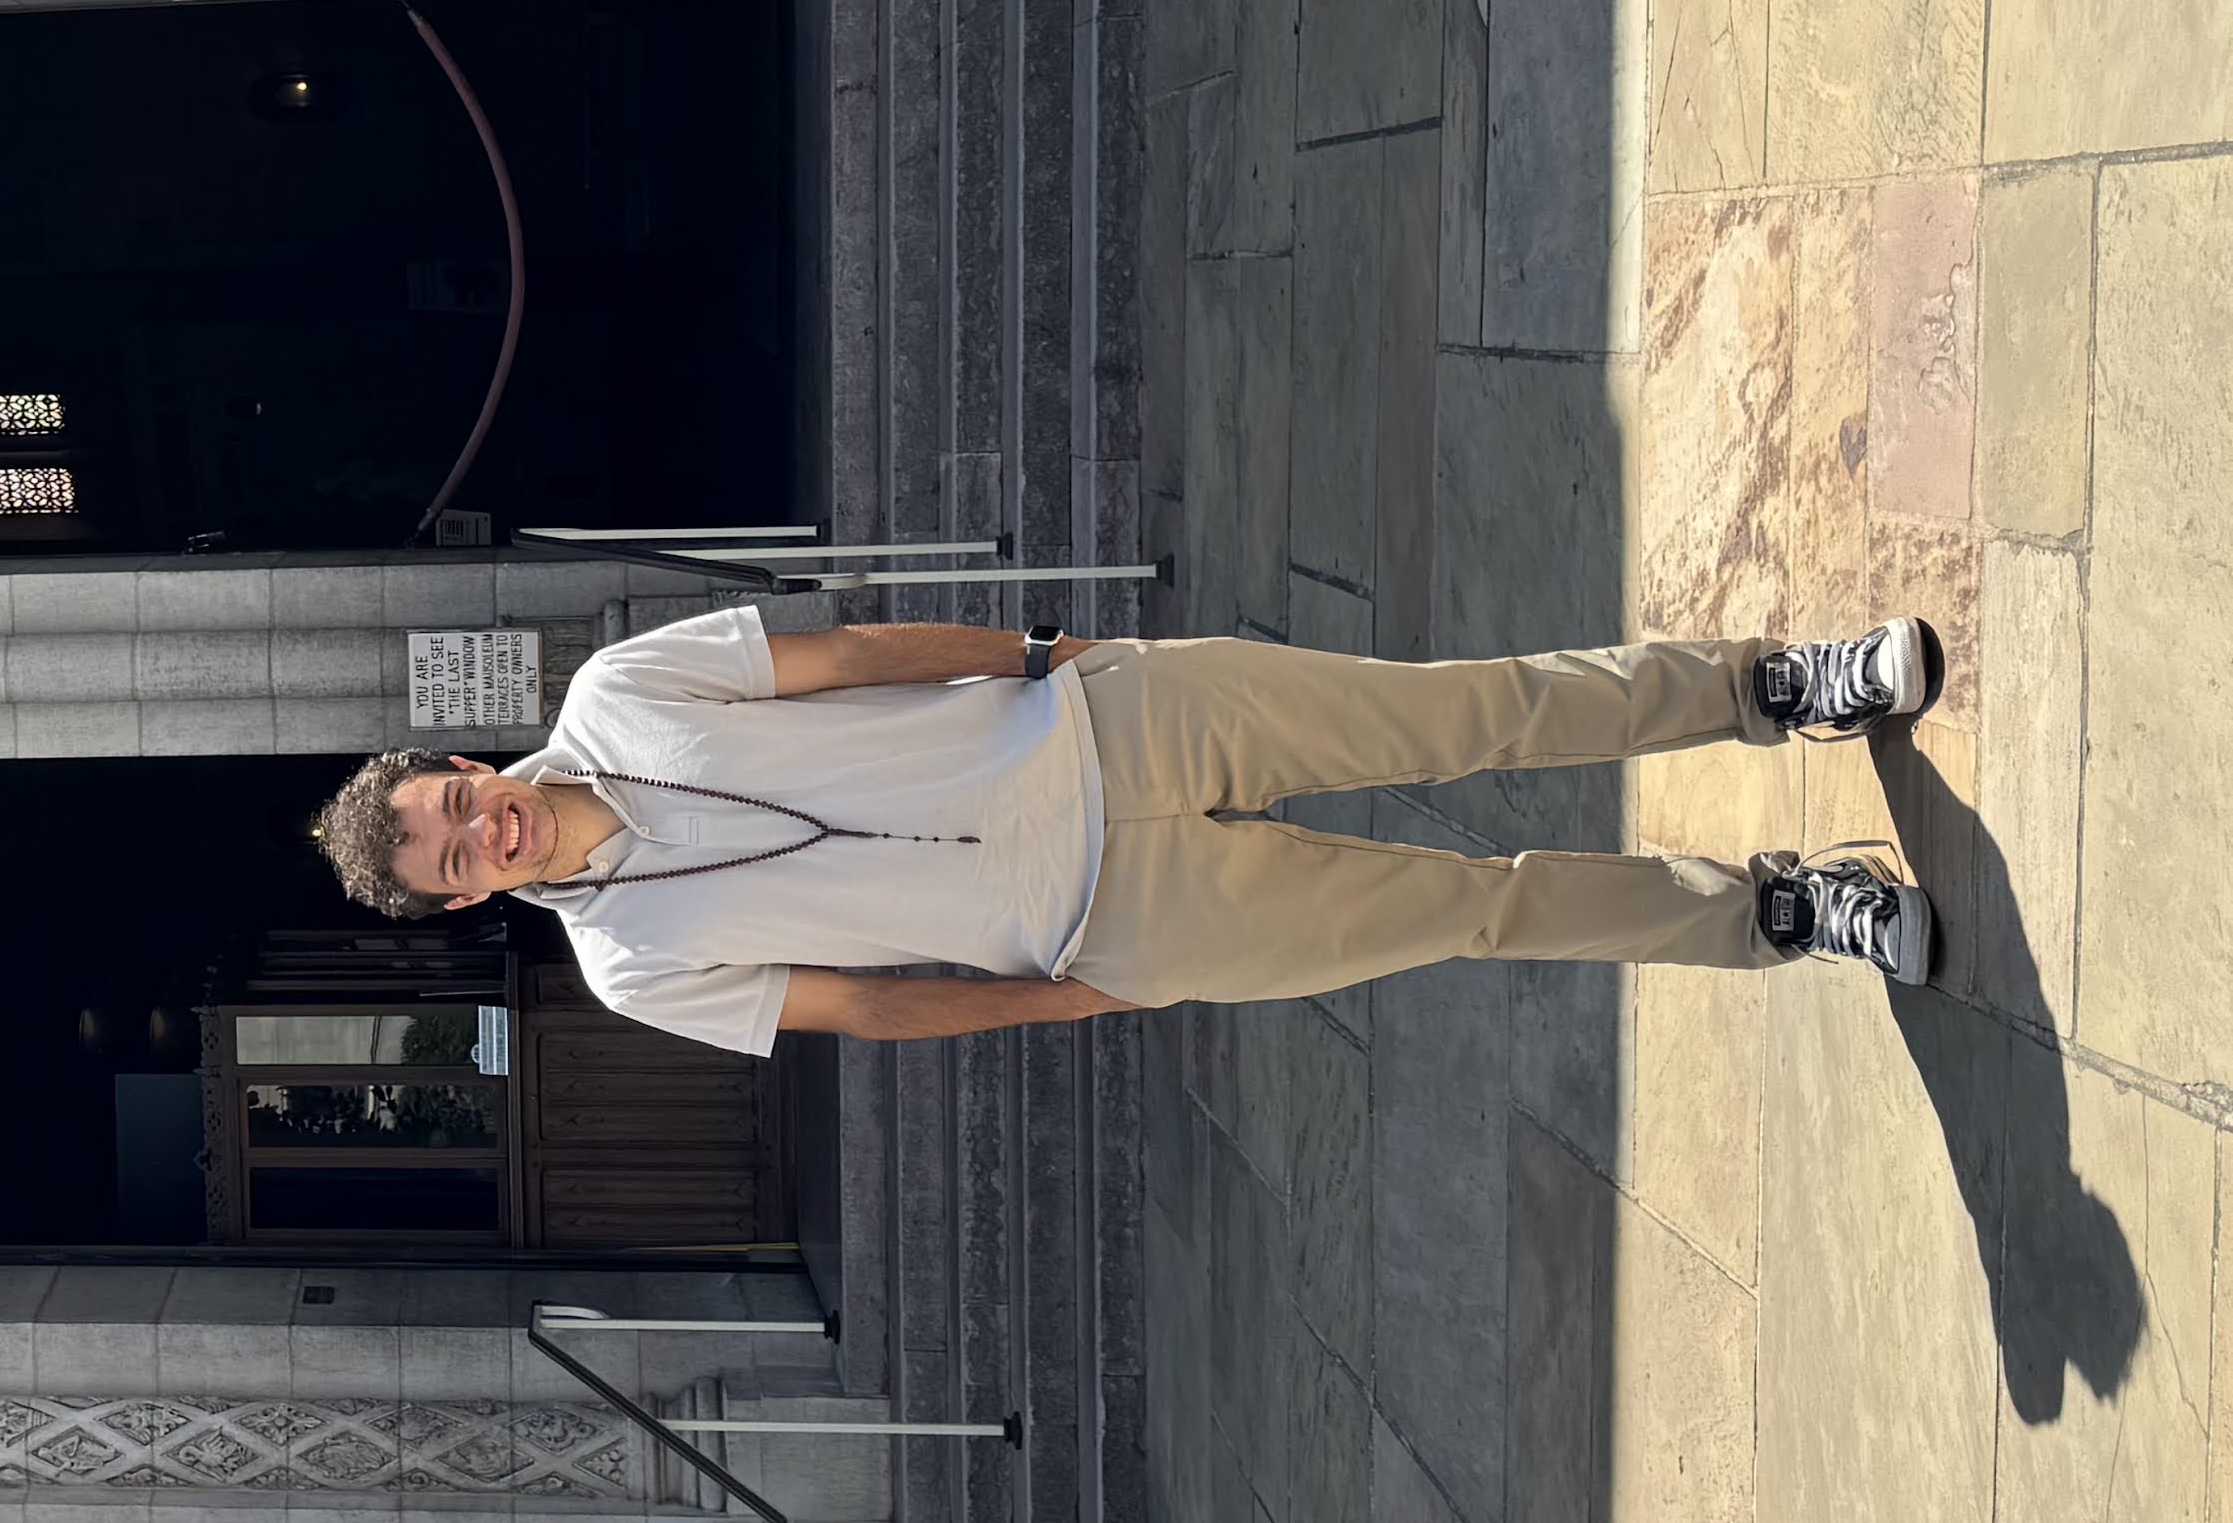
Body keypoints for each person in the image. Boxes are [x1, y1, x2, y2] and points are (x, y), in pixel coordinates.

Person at [308, 612, 1944, 1044]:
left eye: (452, 803)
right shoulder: (628, 968)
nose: (481, 832)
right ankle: (1771, 914)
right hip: (1107, 923)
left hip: (1103, 723)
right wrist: (1067, 995)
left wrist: (1031, 656)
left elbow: (851, 658)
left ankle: (1769, 685)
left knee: (1470, 709)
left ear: (457, 762)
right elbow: (864, 1005)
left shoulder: (620, 685)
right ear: (458, 907)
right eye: (453, 858)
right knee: (1470, 911)